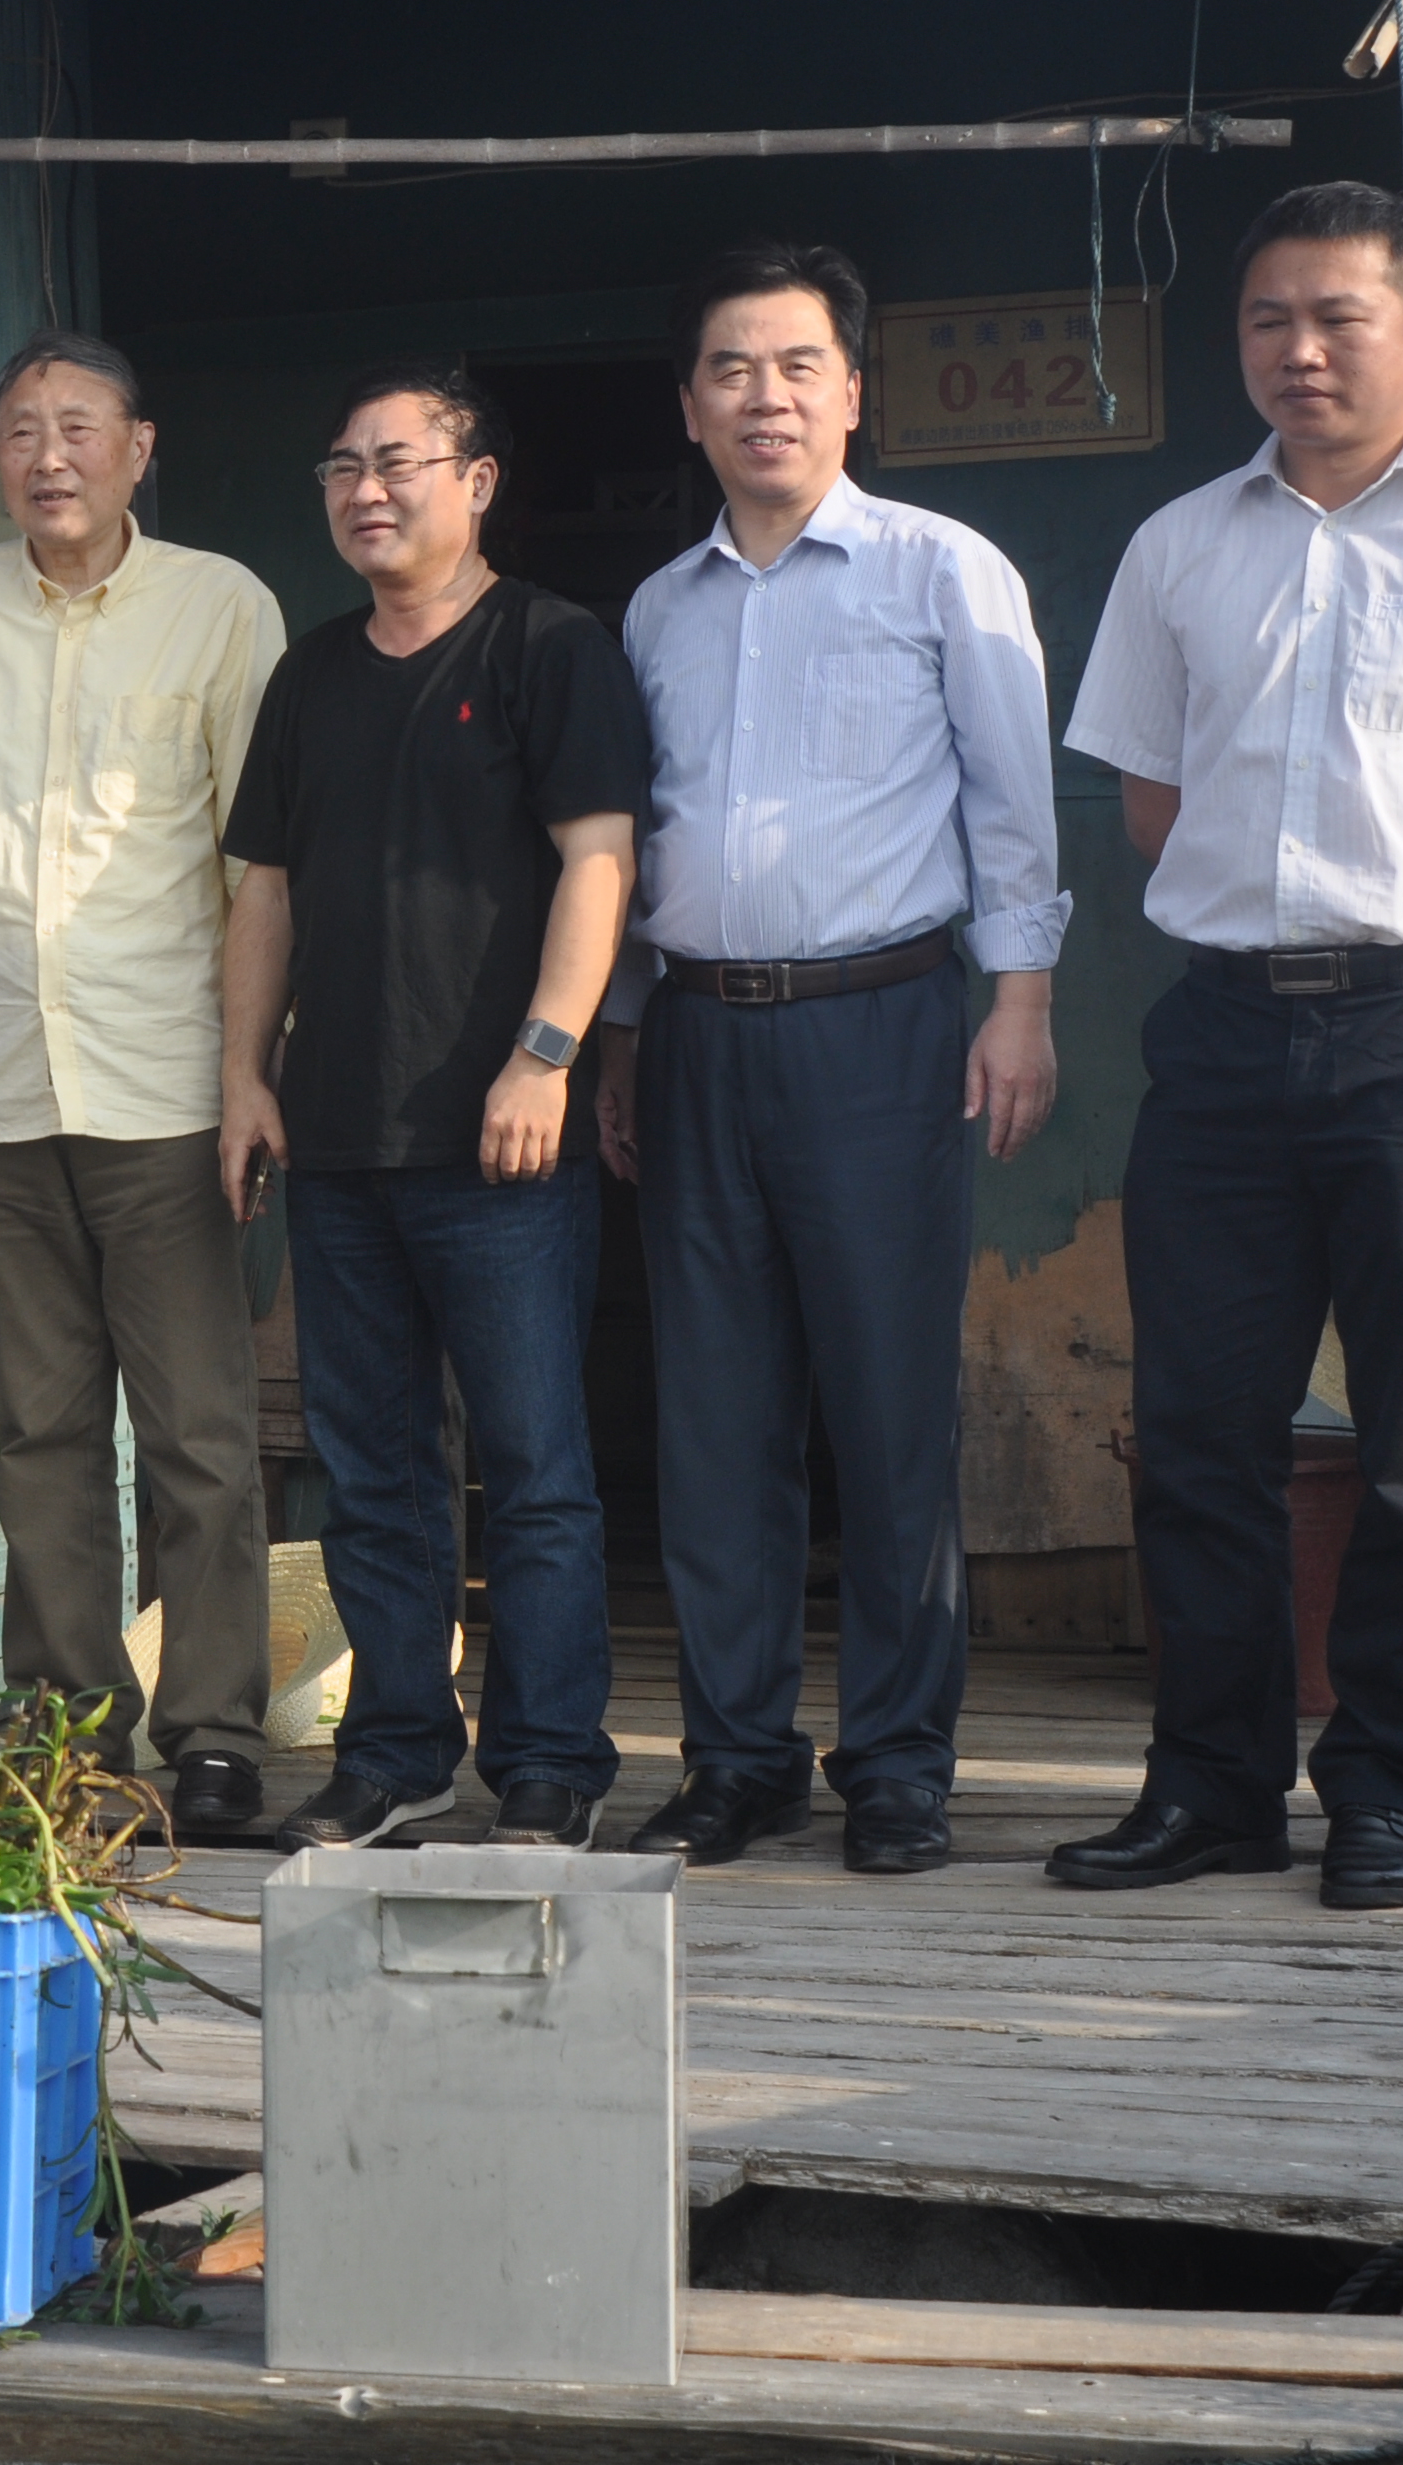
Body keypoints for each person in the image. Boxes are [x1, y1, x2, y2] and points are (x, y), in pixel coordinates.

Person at [1056, 180, 1403, 1912]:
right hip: (1220, 1033)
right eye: (1264, 320)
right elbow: (1151, 801)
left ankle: (1383, 1783)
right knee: (1199, 1425)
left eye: (1338, 317)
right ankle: (1212, 1783)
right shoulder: (1177, 545)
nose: (1297, 351)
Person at [591, 244, 1069, 1879]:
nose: (763, 395)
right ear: (688, 405)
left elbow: (1013, 804)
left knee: (883, 1411)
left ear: (852, 392)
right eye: (730, 367)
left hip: (884, 1026)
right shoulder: (657, 604)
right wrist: (625, 1029)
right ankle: (733, 1757)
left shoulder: (943, 570)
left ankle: (893, 1761)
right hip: (699, 1032)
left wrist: (1017, 998)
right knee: (712, 1417)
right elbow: (641, 840)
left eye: (795, 365)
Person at [0, 329, 284, 1833]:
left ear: (139, 447)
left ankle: (218, 1727)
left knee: (194, 1432)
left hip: (168, 1079)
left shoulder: (222, 607)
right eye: (25, 430)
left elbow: (257, 868)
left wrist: (248, 1073)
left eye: (81, 426)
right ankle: (62, 1722)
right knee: (39, 1429)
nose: (52, 455)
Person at [221, 366, 647, 1850]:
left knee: (533, 1467)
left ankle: (548, 1764)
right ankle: (396, 1753)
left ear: (479, 480)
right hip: (337, 1139)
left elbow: (600, 859)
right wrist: (243, 1079)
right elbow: (263, 893)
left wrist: (547, 1053)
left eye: (399, 462)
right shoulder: (312, 673)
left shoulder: (550, 646)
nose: (367, 491)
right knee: (374, 1472)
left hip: (497, 1136)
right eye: (342, 467)